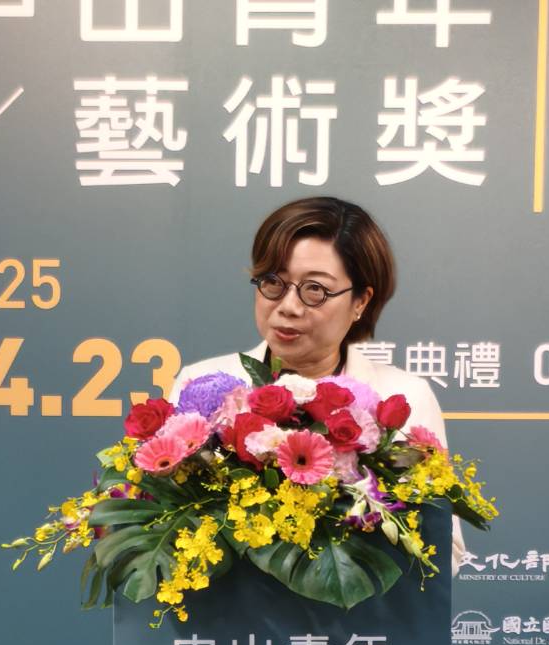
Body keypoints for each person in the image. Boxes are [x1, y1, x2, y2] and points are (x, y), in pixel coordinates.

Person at [170, 195, 465, 573]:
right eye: (274, 282)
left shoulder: (404, 397)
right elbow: (159, 523)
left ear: (360, 301)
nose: (288, 306)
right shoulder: (201, 386)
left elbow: (445, 553)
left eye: (315, 290)